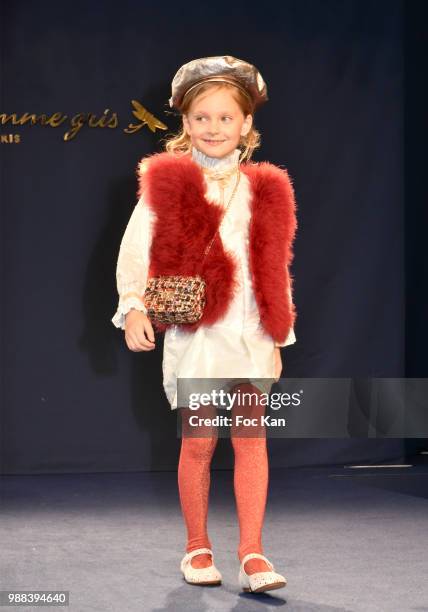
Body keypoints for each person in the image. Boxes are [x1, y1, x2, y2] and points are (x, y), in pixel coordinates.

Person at [112, 55, 298, 593]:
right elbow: (134, 251)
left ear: (245, 124)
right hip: (198, 334)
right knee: (198, 442)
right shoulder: (168, 183)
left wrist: (279, 327)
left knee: (252, 438)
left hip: (253, 333)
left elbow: (275, 261)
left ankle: (253, 553)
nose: (213, 128)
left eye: (224, 118)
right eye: (201, 118)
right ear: (185, 123)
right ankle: (197, 545)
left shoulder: (266, 187)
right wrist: (135, 307)